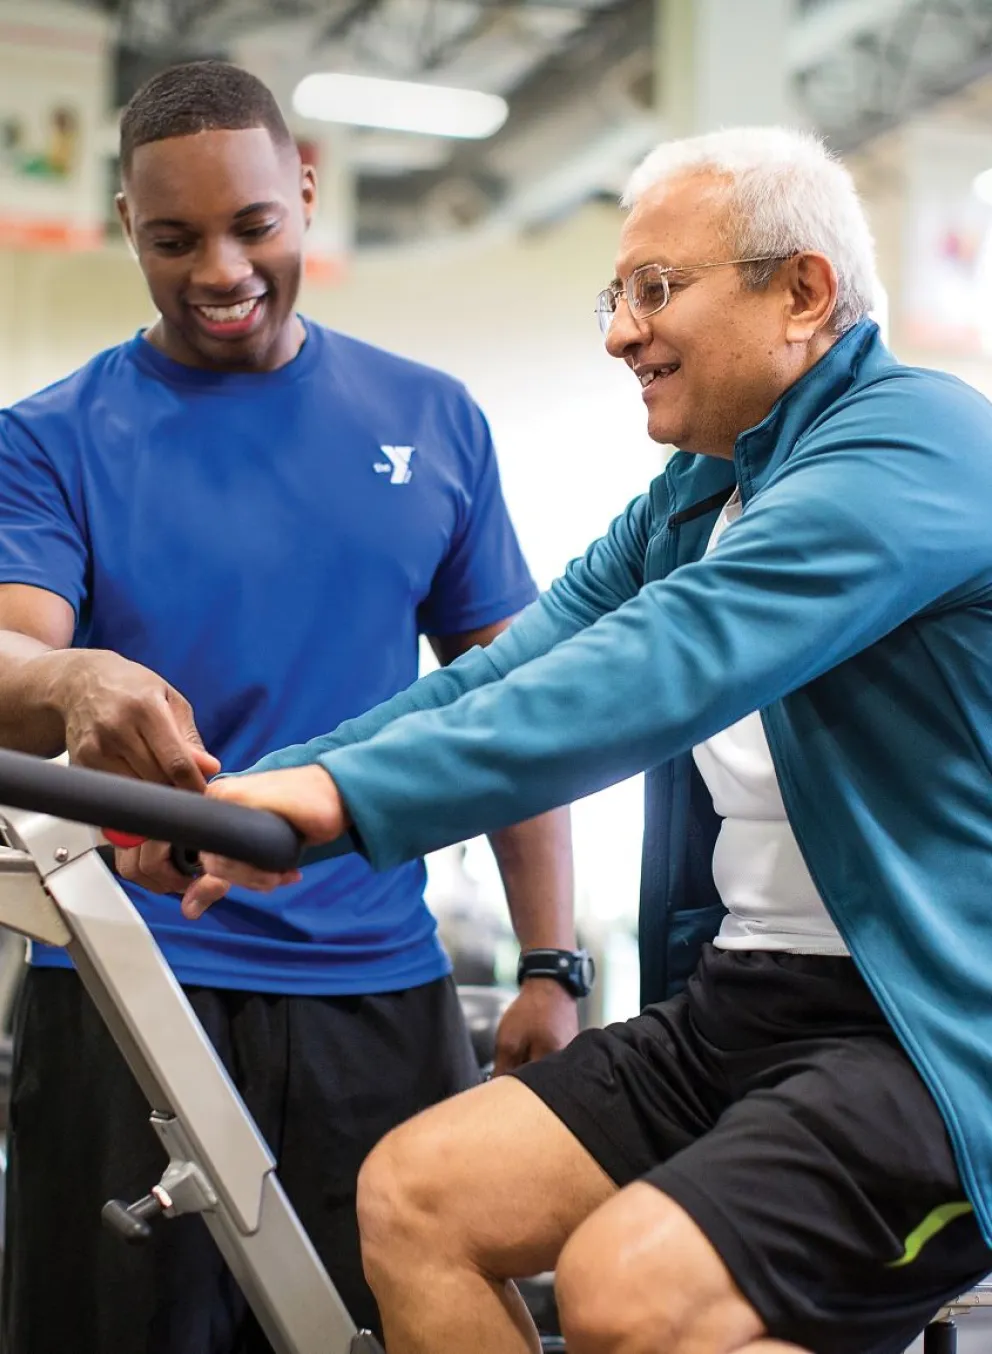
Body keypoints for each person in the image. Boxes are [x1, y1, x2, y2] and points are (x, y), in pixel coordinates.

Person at [190, 124, 992, 1354]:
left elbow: (657, 666)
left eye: (655, 290)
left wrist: (341, 800)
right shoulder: (700, 494)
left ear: (801, 292)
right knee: (416, 1200)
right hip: (749, 1000)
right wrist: (275, 790)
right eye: (614, 295)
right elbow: (513, 668)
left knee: (630, 1286)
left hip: (933, 1034)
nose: (620, 331)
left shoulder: (915, 448)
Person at [0, 59, 581, 1354]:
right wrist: (71, 677)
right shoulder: (51, 436)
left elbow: (522, 708)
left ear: (306, 189)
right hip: (123, 981)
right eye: (173, 238)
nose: (219, 268)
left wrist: (551, 959)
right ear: (126, 226)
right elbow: (8, 665)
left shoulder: (431, 419)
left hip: (375, 994)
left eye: (252, 225)